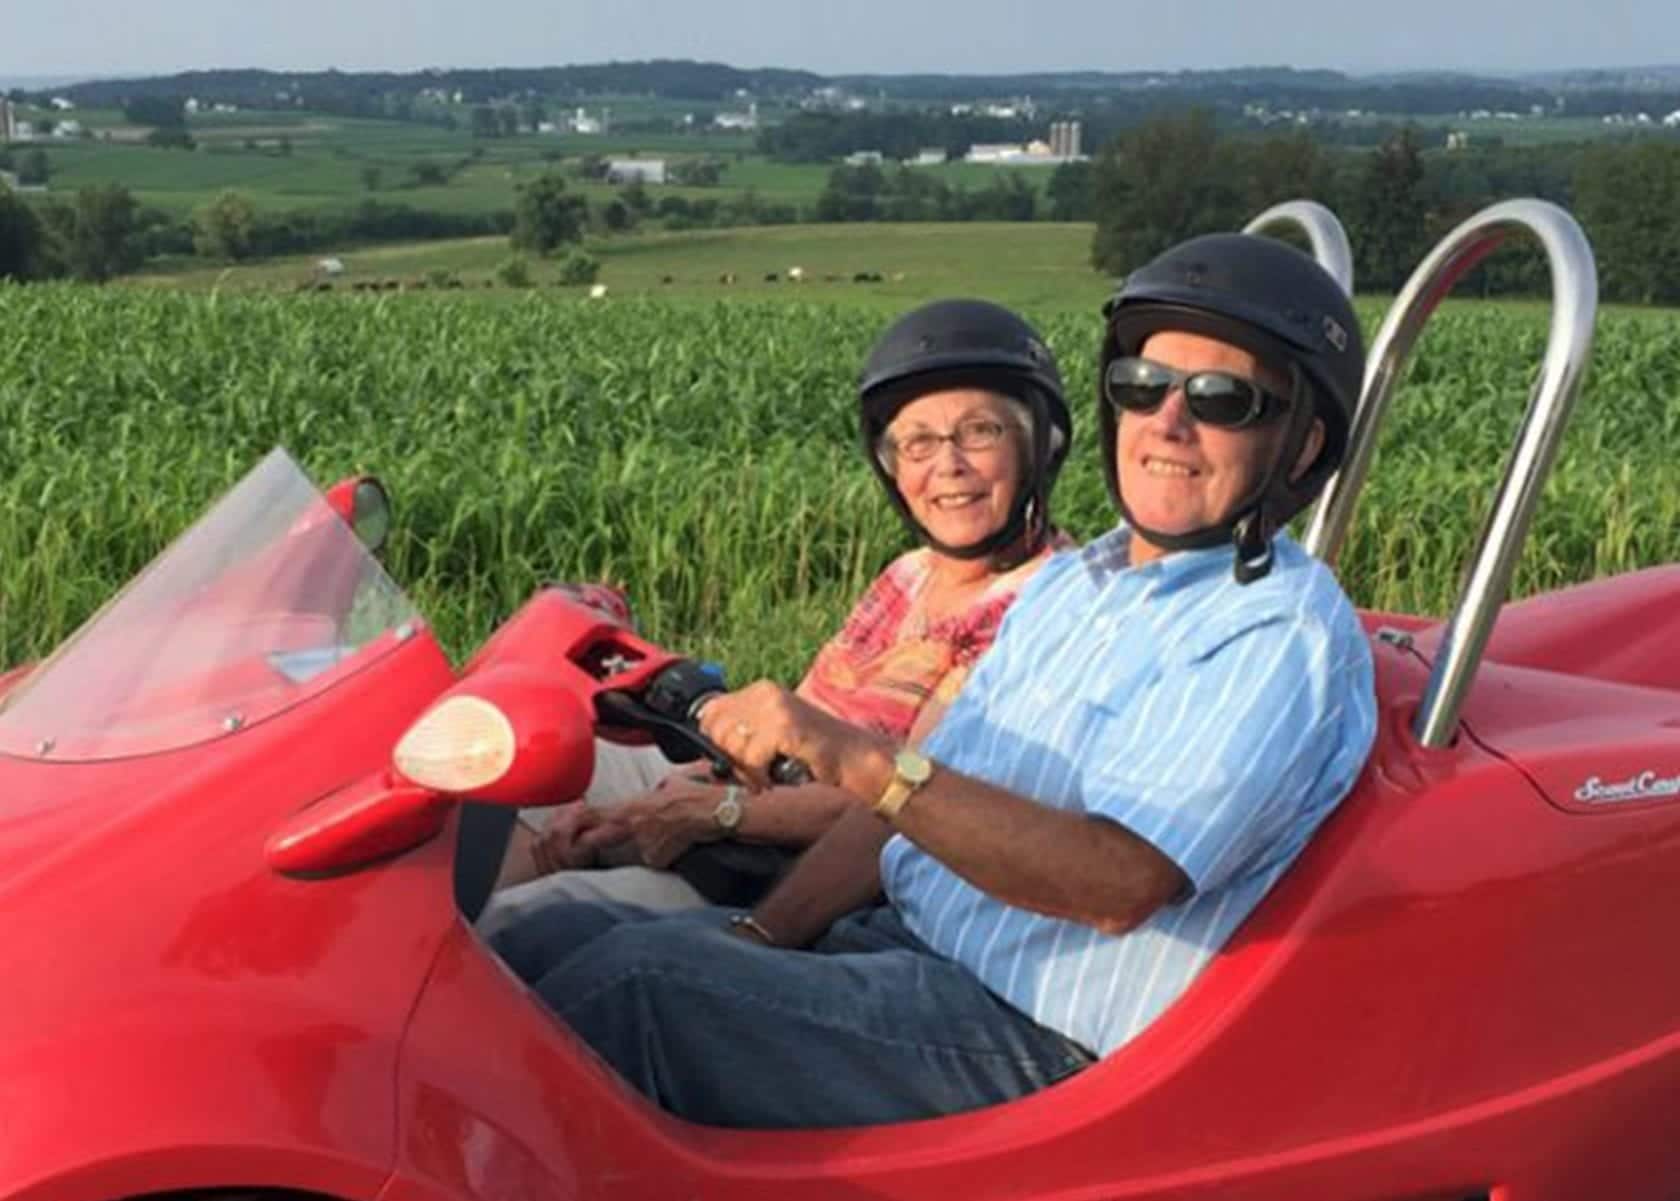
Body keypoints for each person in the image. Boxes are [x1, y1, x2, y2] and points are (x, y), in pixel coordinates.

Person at [489, 233, 1380, 1130]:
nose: (1168, 423)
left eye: (1221, 399)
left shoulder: (1272, 633)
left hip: (1030, 1032)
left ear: (1301, 445)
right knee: (540, 942)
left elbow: (1116, 882)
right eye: (1141, 387)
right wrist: (764, 935)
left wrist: (855, 757)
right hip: (904, 944)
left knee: (633, 994)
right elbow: (899, 817)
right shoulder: (1083, 584)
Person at [483, 298, 1073, 926]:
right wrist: (686, 785)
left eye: (980, 432)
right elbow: (810, 716)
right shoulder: (911, 573)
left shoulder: (1038, 610)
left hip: (788, 869)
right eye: (919, 442)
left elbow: (900, 803)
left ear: (1041, 444)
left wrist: (707, 812)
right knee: (519, 751)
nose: (947, 464)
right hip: (750, 798)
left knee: (524, 925)